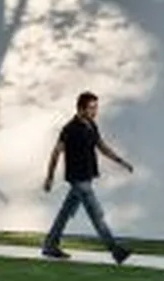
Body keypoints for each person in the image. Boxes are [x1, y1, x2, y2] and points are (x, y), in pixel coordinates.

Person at [42, 91, 134, 265]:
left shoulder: (91, 125)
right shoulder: (70, 129)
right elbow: (56, 153)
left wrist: (121, 161)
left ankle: (49, 245)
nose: (95, 111)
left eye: (96, 108)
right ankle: (116, 251)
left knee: (65, 213)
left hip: (87, 177)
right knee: (97, 214)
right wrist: (49, 177)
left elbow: (102, 147)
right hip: (78, 180)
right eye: (91, 108)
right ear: (81, 108)